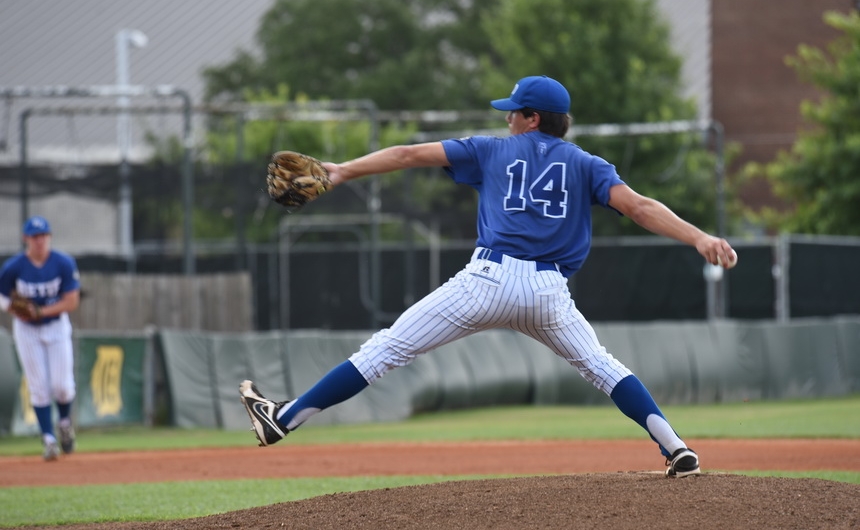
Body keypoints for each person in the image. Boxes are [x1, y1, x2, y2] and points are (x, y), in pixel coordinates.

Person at [240, 75, 737, 477]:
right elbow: (641, 206)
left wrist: (344, 170)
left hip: (487, 282)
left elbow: (409, 155)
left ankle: (284, 419)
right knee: (603, 369)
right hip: (548, 293)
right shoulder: (589, 164)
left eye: (514, 110)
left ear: (532, 118)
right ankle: (676, 449)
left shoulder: (491, 149)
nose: (507, 117)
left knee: (386, 349)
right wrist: (699, 238)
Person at [0, 216, 81, 461]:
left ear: (50, 237)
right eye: (35, 236)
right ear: (26, 239)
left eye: (43, 235)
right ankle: (49, 439)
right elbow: (2, 298)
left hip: (56, 327)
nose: (39, 240)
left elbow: (71, 301)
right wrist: (16, 309)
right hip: (27, 330)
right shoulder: (14, 267)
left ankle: (64, 423)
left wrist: (41, 311)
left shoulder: (63, 263)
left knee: (63, 387)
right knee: (38, 387)